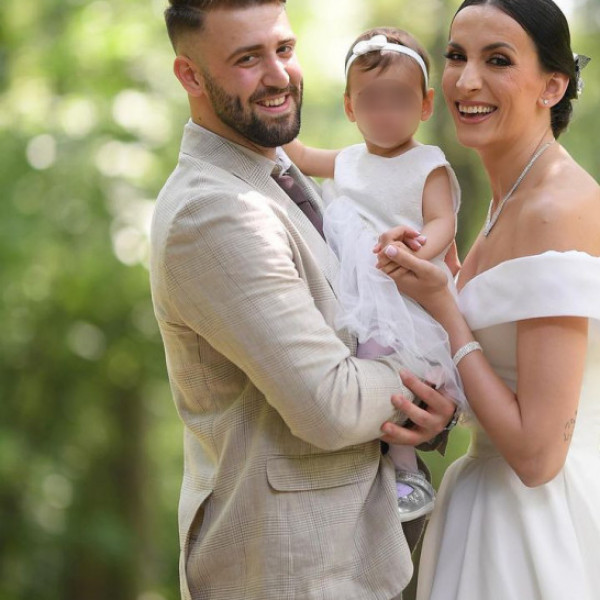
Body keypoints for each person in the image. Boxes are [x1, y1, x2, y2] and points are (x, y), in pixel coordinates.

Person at [149, 2, 456, 599]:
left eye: (284, 50)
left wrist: (430, 407)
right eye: (247, 58)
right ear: (190, 75)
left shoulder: (278, 173)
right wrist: (429, 372)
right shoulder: (214, 211)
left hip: (350, 561)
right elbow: (331, 404)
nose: (278, 75)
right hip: (286, 572)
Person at [375, 0, 600, 598]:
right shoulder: (508, 200)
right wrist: (450, 405)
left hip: (541, 533)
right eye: (457, 56)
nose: (466, 80)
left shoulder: (555, 208)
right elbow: (506, 377)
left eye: (498, 60)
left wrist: (445, 308)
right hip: (486, 514)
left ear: (552, 86)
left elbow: (539, 457)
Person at [283, 27, 465, 524]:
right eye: (371, 100)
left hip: (403, 290)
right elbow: (298, 155)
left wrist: (415, 249)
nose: (384, 112)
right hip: (355, 292)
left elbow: (443, 221)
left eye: (399, 100)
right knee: (350, 361)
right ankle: (364, 470)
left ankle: (407, 472)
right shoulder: (347, 161)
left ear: (425, 105)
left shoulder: (427, 164)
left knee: (389, 370)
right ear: (349, 106)